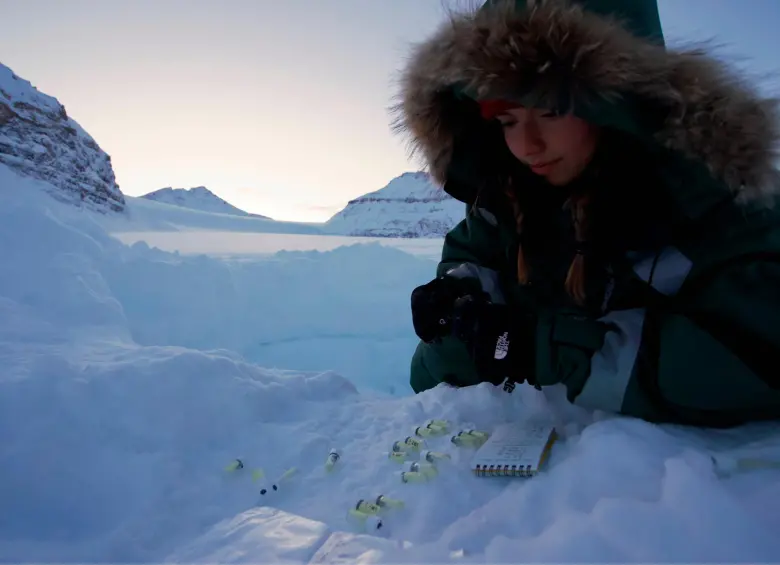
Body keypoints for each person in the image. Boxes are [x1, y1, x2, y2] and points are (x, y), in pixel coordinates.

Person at [395, 0, 780, 428]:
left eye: (551, 111)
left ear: (617, 101)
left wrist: (549, 351)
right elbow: (474, 254)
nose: (527, 146)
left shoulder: (721, 200)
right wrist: (460, 295)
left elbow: (757, 355)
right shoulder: (510, 197)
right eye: (506, 120)